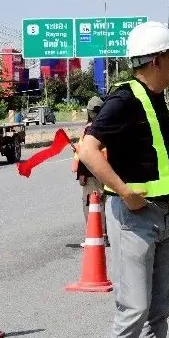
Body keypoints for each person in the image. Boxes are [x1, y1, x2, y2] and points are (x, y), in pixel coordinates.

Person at [77, 21, 169, 338]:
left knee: (159, 308)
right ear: (157, 59)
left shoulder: (157, 99)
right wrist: (124, 190)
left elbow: (161, 157)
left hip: (162, 212)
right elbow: (88, 149)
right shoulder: (125, 98)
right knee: (134, 308)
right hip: (136, 216)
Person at [72, 96, 108, 246]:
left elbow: (87, 154)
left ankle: (97, 236)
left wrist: (82, 174)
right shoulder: (108, 126)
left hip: (92, 174)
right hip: (106, 172)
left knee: (91, 204)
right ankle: (104, 235)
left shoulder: (91, 129)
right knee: (103, 204)